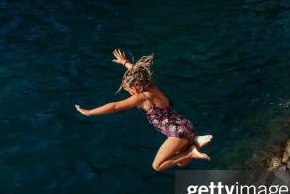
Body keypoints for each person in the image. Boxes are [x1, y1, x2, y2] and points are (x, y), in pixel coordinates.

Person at [75, 49, 212, 171]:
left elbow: (114, 106)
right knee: (181, 163)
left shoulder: (141, 98)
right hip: (185, 124)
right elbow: (139, 73)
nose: (129, 93)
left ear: (135, 88)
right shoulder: (151, 85)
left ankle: (192, 151)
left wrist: (90, 112)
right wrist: (125, 62)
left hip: (176, 133)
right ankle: (195, 141)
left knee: (157, 166)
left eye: (129, 90)